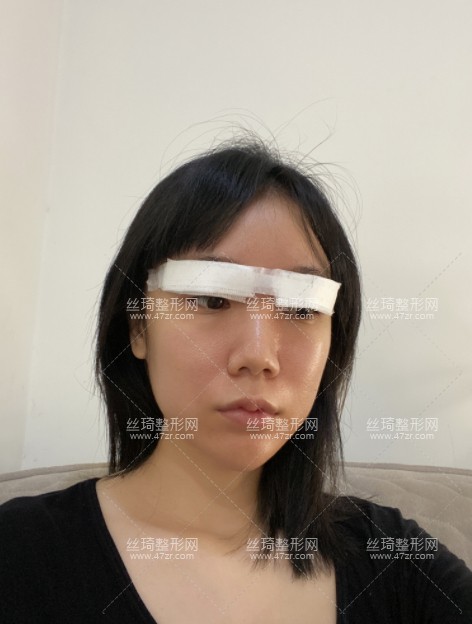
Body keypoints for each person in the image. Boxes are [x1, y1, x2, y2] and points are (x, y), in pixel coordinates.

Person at [1, 138, 471, 623]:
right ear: (139, 327)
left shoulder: (395, 562)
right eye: (211, 299)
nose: (259, 356)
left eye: (300, 307)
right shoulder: (21, 555)